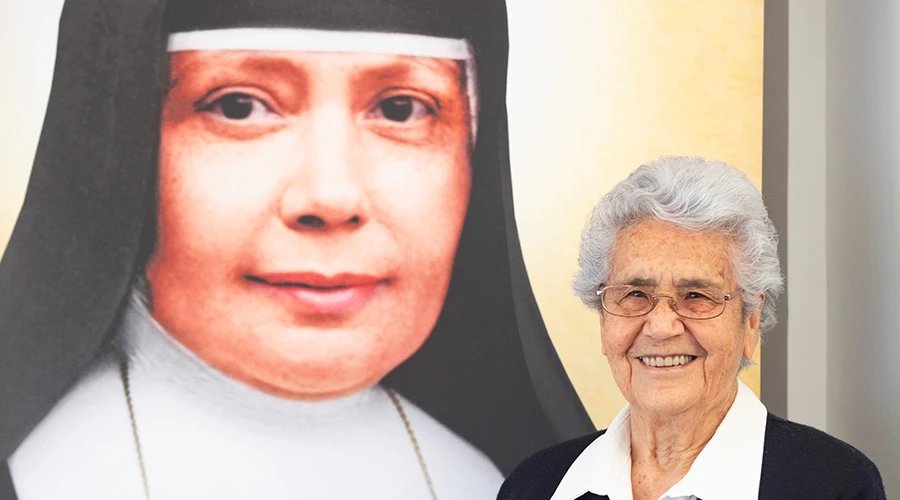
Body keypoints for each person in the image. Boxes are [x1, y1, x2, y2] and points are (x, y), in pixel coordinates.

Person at [0, 0, 595, 498]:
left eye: (401, 108)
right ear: (120, 148)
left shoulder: (505, 484)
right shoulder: (35, 475)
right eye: (238, 106)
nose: (331, 197)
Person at [498, 156, 886, 500]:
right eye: (635, 294)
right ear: (603, 319)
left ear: (751, 321)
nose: (661, 326)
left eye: (696, 296)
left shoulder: (835, 485)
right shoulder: (536, 486)